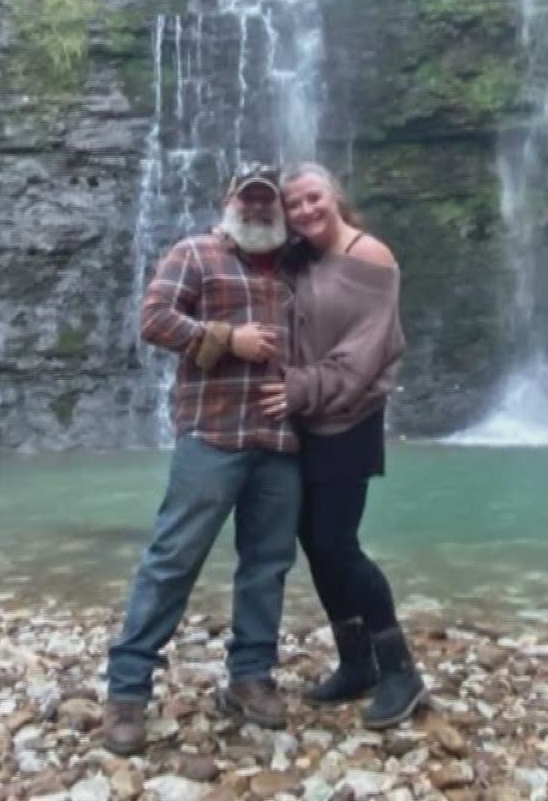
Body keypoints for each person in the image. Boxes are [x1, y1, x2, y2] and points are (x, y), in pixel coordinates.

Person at [103, 162, 302, 755]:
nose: (260, 209)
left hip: (282, 442)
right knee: (173, 559)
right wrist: (224, 338)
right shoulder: (195, 253)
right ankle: (127, 691)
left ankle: (250, 677)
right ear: (230, 201)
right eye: (251, 199)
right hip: (212, 436)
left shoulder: (299, 265)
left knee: (267, 566)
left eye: (269, 201)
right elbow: (154, 320)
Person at [259, 163, 427, 730]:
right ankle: (356, 662)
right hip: (302, 419)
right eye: (294, 205)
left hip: (347, 419)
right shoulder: (299, 258)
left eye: (314, 199)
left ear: (334, 196)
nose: (305, 211)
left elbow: (364, 355)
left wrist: (299, 388)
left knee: (337, 541)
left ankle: (400, 669)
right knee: (314, 540)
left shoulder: (370, 256)